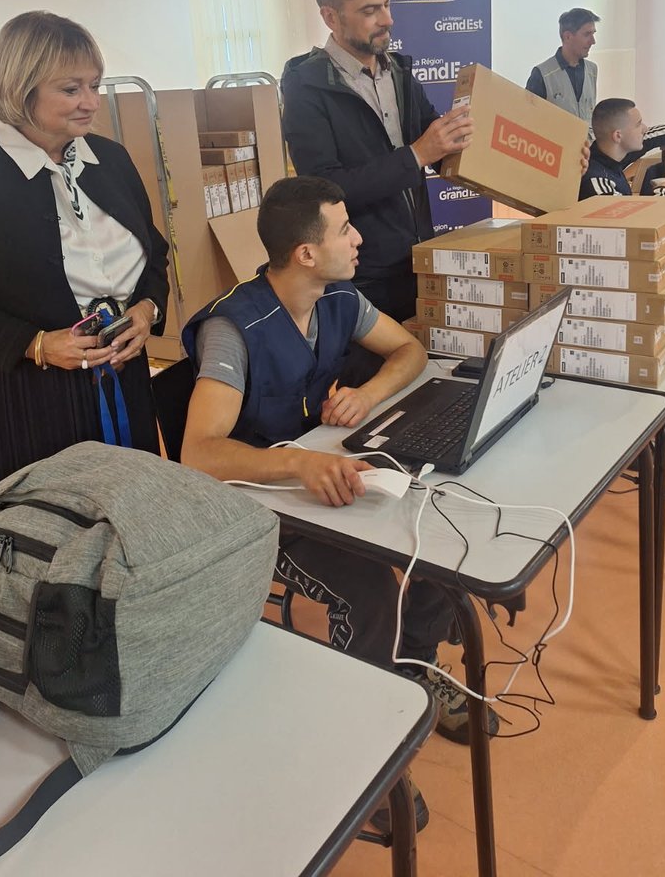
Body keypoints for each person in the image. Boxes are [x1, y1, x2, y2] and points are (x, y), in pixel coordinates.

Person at [180, 175, 481, 753]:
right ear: (306, 253)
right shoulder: (232, 329)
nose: (359, 238)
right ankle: (367, 744)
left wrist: (367, 397)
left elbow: (409, 351)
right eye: (345, 229)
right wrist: (297, 465)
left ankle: (409, 668)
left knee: (445, 541)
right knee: (367, 593)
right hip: (257, 508)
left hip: (322, 475)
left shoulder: (339, 297)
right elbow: (199, 452)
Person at [0, 11, 169, 488]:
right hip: (32, 393)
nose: (92, 103)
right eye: (71, 89)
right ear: (20, 88)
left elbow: (154, 253)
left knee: (138, 510)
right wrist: (35, 345)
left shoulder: (110, 159)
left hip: (123, 374)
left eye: (96, 85)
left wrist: (148, 309)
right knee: (53, 529)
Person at [280, 0, 474, 325]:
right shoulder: (307, 88)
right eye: (370, 10)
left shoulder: (398, 73)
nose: (387, 19)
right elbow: (326, 188)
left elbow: (444, 146)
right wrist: (416, 155)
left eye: (387, 4)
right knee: (377, 377)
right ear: (331, 16)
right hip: (361, 274)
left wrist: (545, 161)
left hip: (419, 260)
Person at [527, 8, 600, 122]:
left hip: (586, 140)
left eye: (593, 34)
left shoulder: (592, 70)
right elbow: (528, 120)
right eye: (587, 34)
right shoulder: (542, 74)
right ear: (568, 37)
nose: (593, 41)